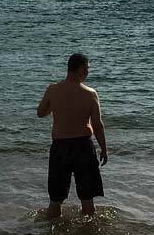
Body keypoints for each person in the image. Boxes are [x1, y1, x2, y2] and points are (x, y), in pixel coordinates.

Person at [37, 53, 108, 217]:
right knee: (87, 199)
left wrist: (54, 106)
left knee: (56, 198)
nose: (88, 73)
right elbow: (97, 125)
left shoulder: (53, 90)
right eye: (87, 69)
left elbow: (40, 113)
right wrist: (104, 149)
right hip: (83, 147)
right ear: (80, 69)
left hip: (60, 148)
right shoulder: (90, 93)